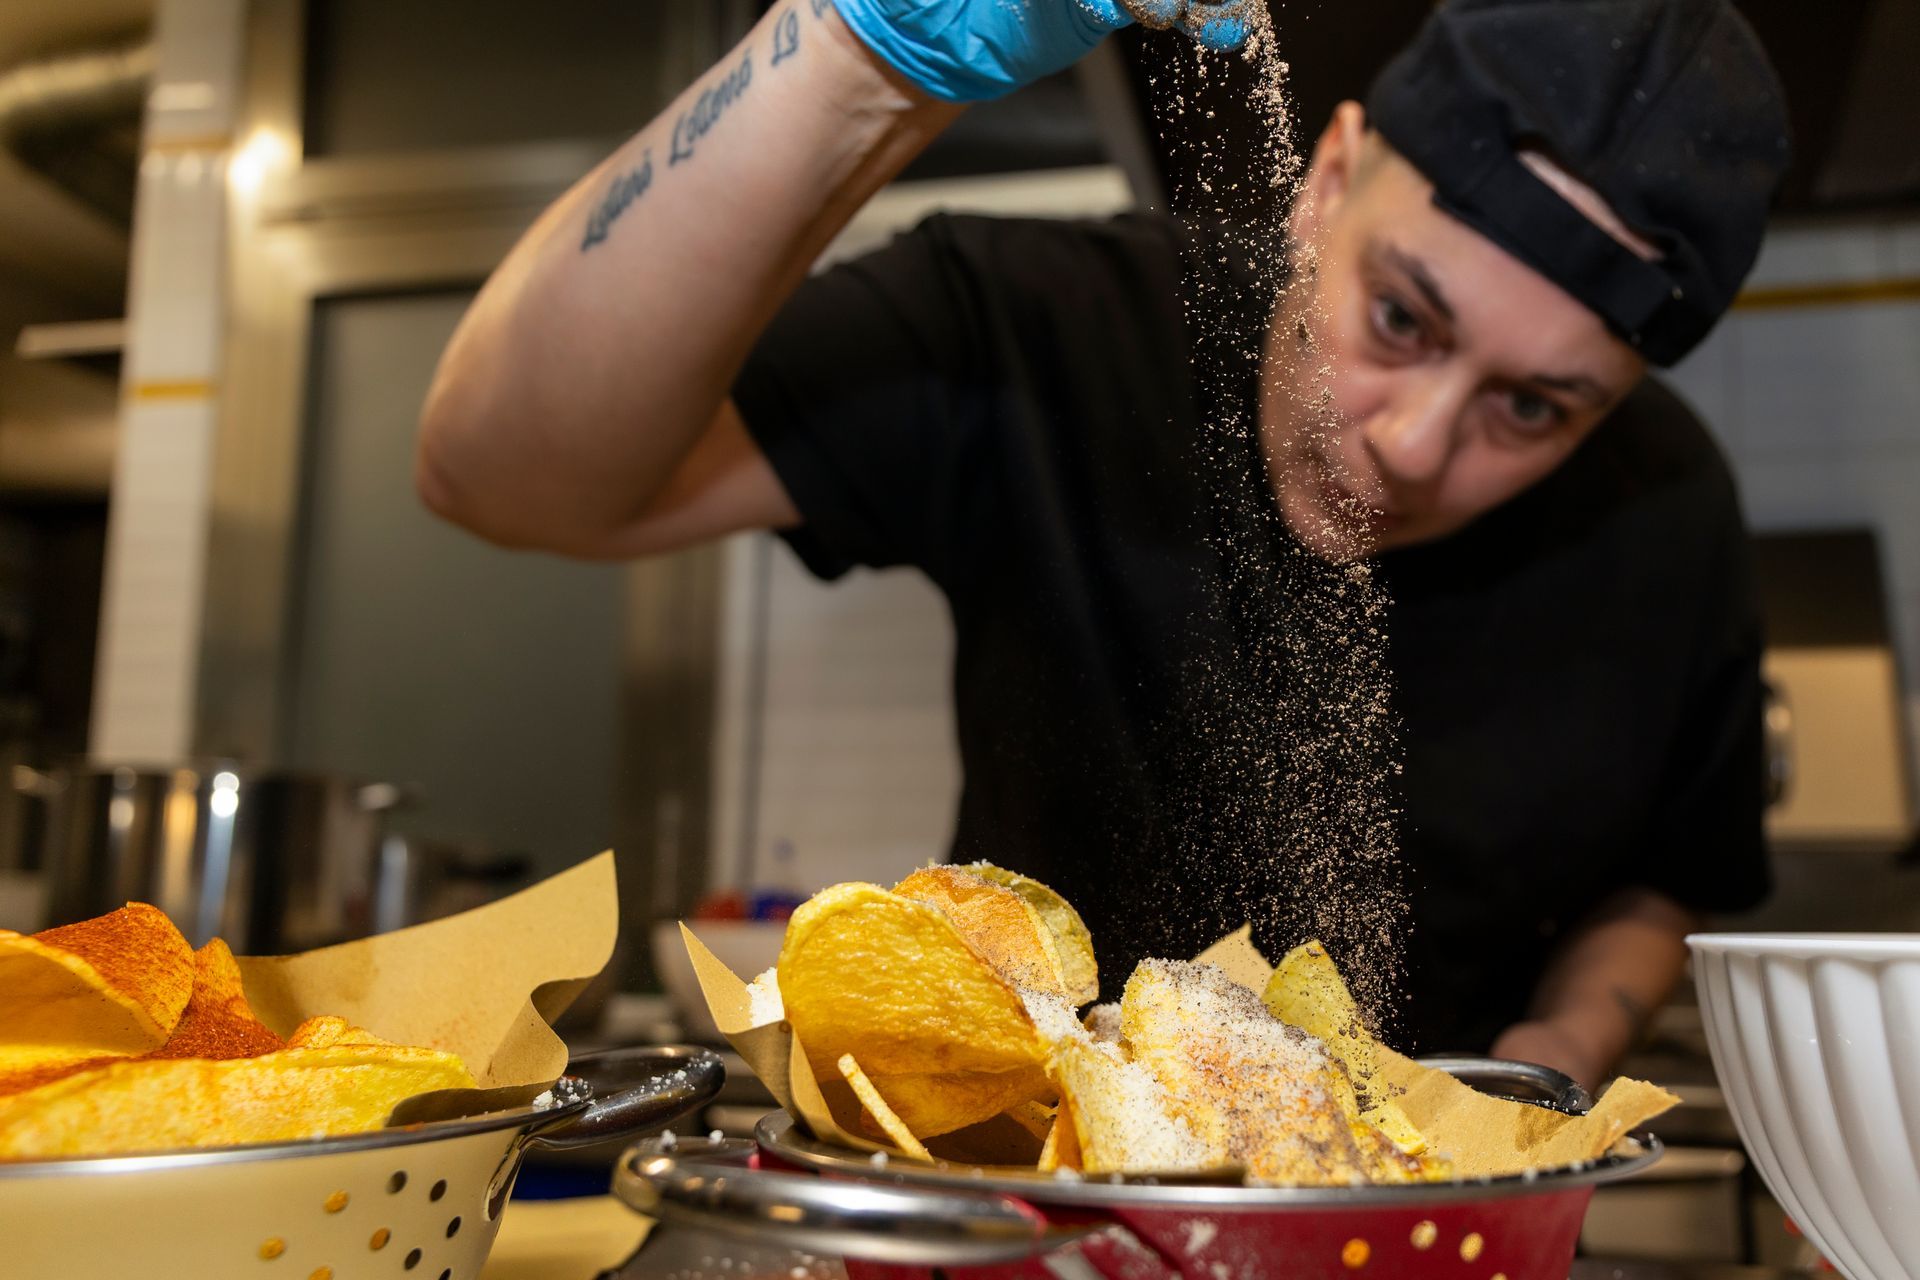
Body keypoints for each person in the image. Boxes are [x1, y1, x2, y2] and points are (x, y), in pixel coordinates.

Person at [417, 0, 1791, 1088]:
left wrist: (1547, 1063)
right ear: (1326, 183)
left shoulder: (1665, 510)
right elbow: (498, 477)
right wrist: (849, 54)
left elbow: (1672, 873)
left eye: (1534, 408)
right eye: (1400, 319)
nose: (1418, 445)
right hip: (1009, 1198)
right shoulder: (1042, 329)